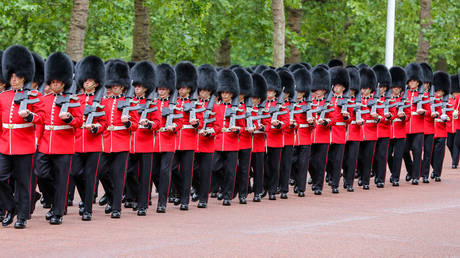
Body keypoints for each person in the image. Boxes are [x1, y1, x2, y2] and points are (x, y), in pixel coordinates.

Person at [35, 52, 83, 225]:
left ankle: (57, 212)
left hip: (63, 143)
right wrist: (37, 140)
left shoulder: (72, 100)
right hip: (46, 142)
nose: (55, 84)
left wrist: (69, 119)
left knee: (62, 178)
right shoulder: (44, 99)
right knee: (41, 174)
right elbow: (41, 121)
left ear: (64, 83)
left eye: (58, 82)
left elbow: (79, 121)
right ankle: (55, 201)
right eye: (52, 82)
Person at [0, 45, 44, 228]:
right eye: (11, 76)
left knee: (24, 183)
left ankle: (23, 217)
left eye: (16, 77)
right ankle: (10, 207)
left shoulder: (34, 95)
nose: (13, 80)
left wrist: (30, 116)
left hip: (24, 144)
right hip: (4, 144)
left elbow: (42, 117)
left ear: (24, 77)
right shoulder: (3, 96)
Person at [100, 59, 139, 218]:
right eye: (112, 85)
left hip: (121, 142)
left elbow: (135, 125)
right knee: (101, 172)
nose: (114, 87)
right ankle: (111, 197)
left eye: (117, 85)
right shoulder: (104, 101)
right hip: (106, 141)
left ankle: (116, 208)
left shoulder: (129, 102)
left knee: (118, 176)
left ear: (123, 86)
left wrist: (128, 122)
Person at [72, 55, 107, 221]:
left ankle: (87, 209)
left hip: (93, 143)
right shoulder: (76, 99)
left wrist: (96, 127)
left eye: (90, 80)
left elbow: (104, 123)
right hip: (78, 142)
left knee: (90, 176)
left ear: (97, 83)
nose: (86, 82)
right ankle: (85, 199)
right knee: (76, 173)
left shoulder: (101, 100)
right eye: (84, 80)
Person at [170, 61, 201, 211]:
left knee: (187, 171)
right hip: (175, 139)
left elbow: (201, 122)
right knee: (173, 168)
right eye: (179, 87)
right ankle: (182, 191)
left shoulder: (196, 103)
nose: (181, 90)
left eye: (184, 87)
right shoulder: (174, 101)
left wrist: (196, 123)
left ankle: (184, 200)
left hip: (189, 139)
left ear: (189, 88)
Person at [152, 63, 182, 213]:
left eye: (163, 89)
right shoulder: (153, 102)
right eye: (159, 88)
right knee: (154, 172)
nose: (161, 91)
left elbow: (180, 121)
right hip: (155, 141)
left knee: (165, 171)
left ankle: (162, 202)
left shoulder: (175, 103)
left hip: (168, 140)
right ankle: (166, 191)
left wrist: (174, 127)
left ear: (169, 89)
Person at [193, 64, 222, 208]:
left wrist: (210, 132)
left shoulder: (215, 107)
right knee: (192, 171)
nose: (202, 92)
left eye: (205, 90)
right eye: (201, 90)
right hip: (194, 143)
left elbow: (218, 126)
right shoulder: (194, 105)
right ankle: (197, 190)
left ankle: (203, 198)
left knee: (205, 173)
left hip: (207, 143)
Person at [212, 68, 243, 205]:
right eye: (223, 92)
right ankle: (225, 188)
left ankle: (227, 195)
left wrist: (237, 129)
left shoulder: (238, 108)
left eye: (227, 93)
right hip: (218, 141)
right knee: (215, 167)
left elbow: (242, 125)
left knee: (231, 171)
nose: (224, 95)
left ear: (232, 93)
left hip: (232, 141)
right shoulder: (216, 107)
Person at [325, 66, 351, 193]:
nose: (336, 88)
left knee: (337, 160)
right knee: (327, 159)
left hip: (339, 132)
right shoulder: (328, 99)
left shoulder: (346, 101)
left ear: (344, 87)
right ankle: (329, 175)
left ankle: (335, 184)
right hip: (328, 132)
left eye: (339, 86)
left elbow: (350, 119)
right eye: (335, 85)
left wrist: (346, 117)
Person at [309, 66, 333, 195]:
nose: (318, 91)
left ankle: (319, 185)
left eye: (321, 89)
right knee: (310, 161)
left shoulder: (328, 102)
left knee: (321, 161)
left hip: (323, 135)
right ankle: (314, 179)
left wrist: (326, 122)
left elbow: (333, 118)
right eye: (317, 89)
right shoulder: (310, 101)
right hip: (312, 135)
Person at [403, 63, 426, 185]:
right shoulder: (404, 94)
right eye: (410, 81)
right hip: (406, 128)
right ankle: (410, 170)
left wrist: (423, 112)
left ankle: (416, 176)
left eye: (414, 81)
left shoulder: (422, 95)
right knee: (404, 151)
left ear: (418, 82)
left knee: (417, 151)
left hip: (418, 127)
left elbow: (428, 109)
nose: (412, 83)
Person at [290, 67, 312, 197]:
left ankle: (301, 187)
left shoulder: (307, 104)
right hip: (292, 137)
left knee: (303, 163)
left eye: (301, 92)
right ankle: (294, 181)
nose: (299, 94)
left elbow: (313, 120)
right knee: (292, 162)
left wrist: (312, 122)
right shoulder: (290, 104)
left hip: (304, 136)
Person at [387, 66, 410, 186]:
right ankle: (393, 172)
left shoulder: (404, 99)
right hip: (389, 131)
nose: (395, 89)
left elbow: (409, 115)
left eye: (397, 87)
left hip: (400, 131)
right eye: (394, 87)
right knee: (387, 155)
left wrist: (403, 117)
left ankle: (395, 177)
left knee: (398, 155)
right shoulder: (387, 99)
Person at [371, 64, 392, 188]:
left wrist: (385, 117)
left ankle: (380, 178)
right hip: (372, 131)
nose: (382, 89)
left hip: (384, 130)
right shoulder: (370, 98)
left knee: (382, 155)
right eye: (380, 86)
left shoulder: (387, 100)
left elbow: (392, 114)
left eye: (384, 87)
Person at [431, 71, 451, 181]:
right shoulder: (431, 100)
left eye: (441, 91)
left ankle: (437, 173)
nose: (439, 92)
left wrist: (447, 118)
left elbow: (450, 115)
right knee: (430, 154)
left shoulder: (446, 101)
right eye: (438, 90)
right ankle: (435, 169)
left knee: (439, 154)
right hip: (431, 130)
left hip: (442, 130)